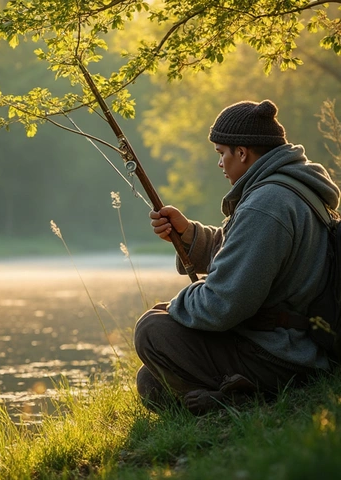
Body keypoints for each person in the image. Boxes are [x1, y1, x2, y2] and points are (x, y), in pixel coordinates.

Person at [133, 99, 341, 414]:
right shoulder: (289, 188)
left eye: (221, 153)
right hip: (291, 342)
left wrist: (175, 305)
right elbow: (248, 255)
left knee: (151, 330)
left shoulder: (267, 203)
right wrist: (190, 235)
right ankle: (232, 392)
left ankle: (249, 397)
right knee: (150, 383)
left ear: (241, 153)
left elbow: (222, 306)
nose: (220, 163)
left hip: (284, 353)